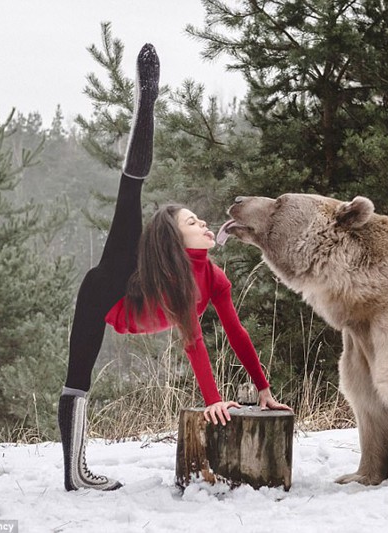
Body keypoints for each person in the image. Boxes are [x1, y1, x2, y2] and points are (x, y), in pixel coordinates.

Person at [58, 43, 291, 492]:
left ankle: (147, 101)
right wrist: (213, 400)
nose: (203, 222)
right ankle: (75, 473)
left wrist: (262, 388)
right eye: (192, 221)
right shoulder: (170, 272)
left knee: (133, 220)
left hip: (145, 290)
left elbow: (236, 334)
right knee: (130, 201)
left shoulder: (213, 278)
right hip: (110, 292)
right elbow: (193, 340)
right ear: (175, 237)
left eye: (200, 219)